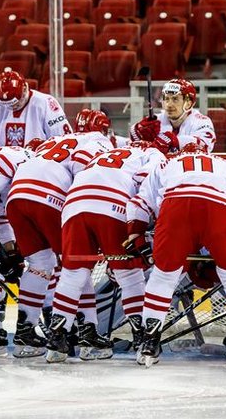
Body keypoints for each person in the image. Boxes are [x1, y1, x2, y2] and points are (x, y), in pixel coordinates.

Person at [125, 145, 226, 367]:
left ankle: (150, 342)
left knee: (163, 276)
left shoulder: (166, 164)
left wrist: (135, 234)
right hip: (221, 207)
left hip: (177, 204)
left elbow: (140, 203)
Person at [44, 115, 162, 363]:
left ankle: (56, 338)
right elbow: (147, 187)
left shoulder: (111, 151)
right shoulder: (154, 155)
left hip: (74, 203)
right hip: (113, 204)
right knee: (129, 274)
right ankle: (141, 337)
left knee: (73, 272)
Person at [4, 126, 113, 357]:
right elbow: (85, 173)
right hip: (49, 195)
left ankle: (25, 333)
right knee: (75, 265)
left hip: (17, 194)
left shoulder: (56, 138)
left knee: (39, 265)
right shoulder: (98, 141)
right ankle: (87, 332)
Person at [0, 68, 72, 149]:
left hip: (36, 164)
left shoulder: (46, 103)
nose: (11, 107)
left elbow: (63, 141)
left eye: (15, 103)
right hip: (1, 164)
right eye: (6, 104)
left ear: (25, 89)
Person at [129, 78, 217, 153]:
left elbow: (205, 146)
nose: (169, 105)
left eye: (175, 99)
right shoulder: (155, 120)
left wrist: (176, 141)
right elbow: (134, 147)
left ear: (188, 104)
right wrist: (137, 132)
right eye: (166, 99)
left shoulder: (201, 121)